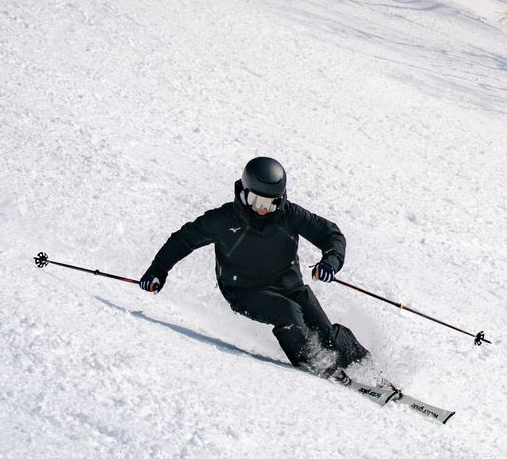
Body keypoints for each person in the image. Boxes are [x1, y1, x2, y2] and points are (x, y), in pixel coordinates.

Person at [138, 156, 368, 375]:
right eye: (256, 201)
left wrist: (330, 261)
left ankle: (367, 367)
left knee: (325, 332)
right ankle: (316, 362)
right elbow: (182, 240)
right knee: (289, 315)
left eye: (271, 203)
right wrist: (157, 271)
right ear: (244, 192)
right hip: (246, 291)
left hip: (290, 286)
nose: (263, 209)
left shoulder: (290, 215)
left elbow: (331, 234)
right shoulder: (223, 219)